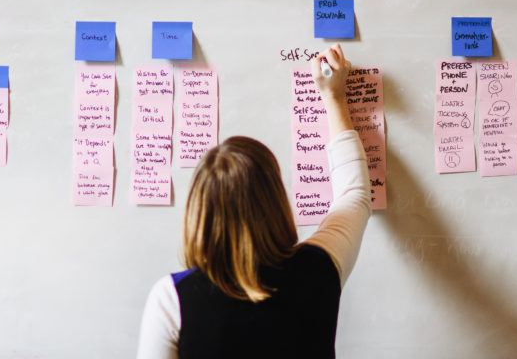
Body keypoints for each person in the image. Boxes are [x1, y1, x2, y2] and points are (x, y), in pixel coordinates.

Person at [136, 44, 371, 359]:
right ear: (275, 202)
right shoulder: (320, 267)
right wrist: (334, 97)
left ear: (197, 213)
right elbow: (354, 194)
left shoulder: (172, 299)